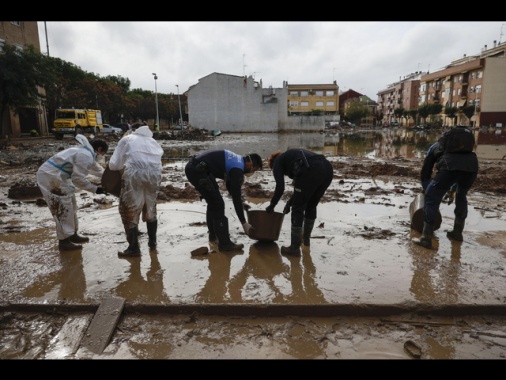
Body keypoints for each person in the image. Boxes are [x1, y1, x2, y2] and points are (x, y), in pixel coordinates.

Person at [36, 134, 108, 251]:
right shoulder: (84, 155)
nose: (103, 156)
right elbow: (78, 179)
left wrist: (110, 177)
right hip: (50, 177)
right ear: (100, 149)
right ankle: (64, 241)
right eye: (104, 153)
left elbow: (98, 170)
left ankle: (73, 234)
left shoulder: (86, 154)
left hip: (59, 177)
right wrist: (95, 189)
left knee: (72, 206)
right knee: (63, 208)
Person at [412, 125, 479, 249]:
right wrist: (453, 190)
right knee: (461, 195)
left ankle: (426, 238)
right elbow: (458, 175)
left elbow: (426, 172)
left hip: (450, 167)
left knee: (432, 198)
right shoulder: (464, 147)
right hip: (472, 167)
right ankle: (457, 233)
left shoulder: (434, 147)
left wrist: (427, 189)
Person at [184, 150, 263, 252]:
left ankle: (213, 236)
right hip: (197, 171)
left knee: (213, 202)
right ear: (250, 164)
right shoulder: (237, 169)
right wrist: (244, 223)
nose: (252, 172)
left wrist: (241, 202)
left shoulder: (238, 160)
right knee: (218, 205)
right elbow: (235, 197)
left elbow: (230, 186)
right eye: (254, 169)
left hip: (198, 168)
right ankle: (225, 244)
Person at [108, 124, 164, 257]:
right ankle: (152, 243)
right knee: (150, 207)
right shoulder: (153, 141)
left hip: (134, 173)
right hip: (155, 174)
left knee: (129, 209)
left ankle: (133, 248)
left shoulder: (127, 139)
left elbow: (114, 165)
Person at [266, 149, 333, 256]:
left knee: (297, 209)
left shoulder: (277, 163)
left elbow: (280, 187)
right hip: (327, 168)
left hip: (312, 168)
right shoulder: (292, 157)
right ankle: (306, 241)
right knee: (311, 205)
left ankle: (294, 248)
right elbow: (302, 190)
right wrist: (289, 203)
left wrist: (272, 205)